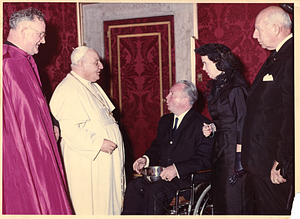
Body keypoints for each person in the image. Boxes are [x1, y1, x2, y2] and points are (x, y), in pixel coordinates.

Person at [2, 7, 73, 214]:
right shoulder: (8, 63)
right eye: (40, 34)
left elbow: (34, 106)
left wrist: (51, 123)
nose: (42, 40)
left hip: (39, 148)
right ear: (24, 31)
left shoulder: (23, 60)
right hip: (23, 153)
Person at [49, 46, 126, 215]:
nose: (101, 66)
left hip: (102, 162)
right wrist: (98, 143)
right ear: (81, 64)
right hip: (88, 163)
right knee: (91, 206)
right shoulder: (68, 89)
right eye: (96, 62)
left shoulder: (92, 86)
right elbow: (69, 130)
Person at [122, 80, 213, 215]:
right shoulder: (165, 120)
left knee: (154, 191)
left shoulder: (202, 124)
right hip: (163, 178)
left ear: (185, 99)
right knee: (134, 186)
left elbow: (205, 159)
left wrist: (177, 169)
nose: (167, 97)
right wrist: (145, 159)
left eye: (172, 94)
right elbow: (157, 147)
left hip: (186, 180)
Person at [241, 6, 294, 215]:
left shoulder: (291, 56)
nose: (254, 36)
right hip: (260, 159)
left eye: (258, 29)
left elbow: (291, 114)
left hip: (273, 162)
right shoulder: (277, 56)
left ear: (275, 28)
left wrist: (281, 159)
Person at [195, 43, 248, 215]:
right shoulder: (220, 87)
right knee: (220, 200)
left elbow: (243, 123)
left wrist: (239, 159)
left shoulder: (237, 88)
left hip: (234, 153)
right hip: (220, 150)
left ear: (219, 63)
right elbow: (225, 119)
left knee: (234, 202)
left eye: (205, 63)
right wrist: (212, 126)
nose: (203, 69)